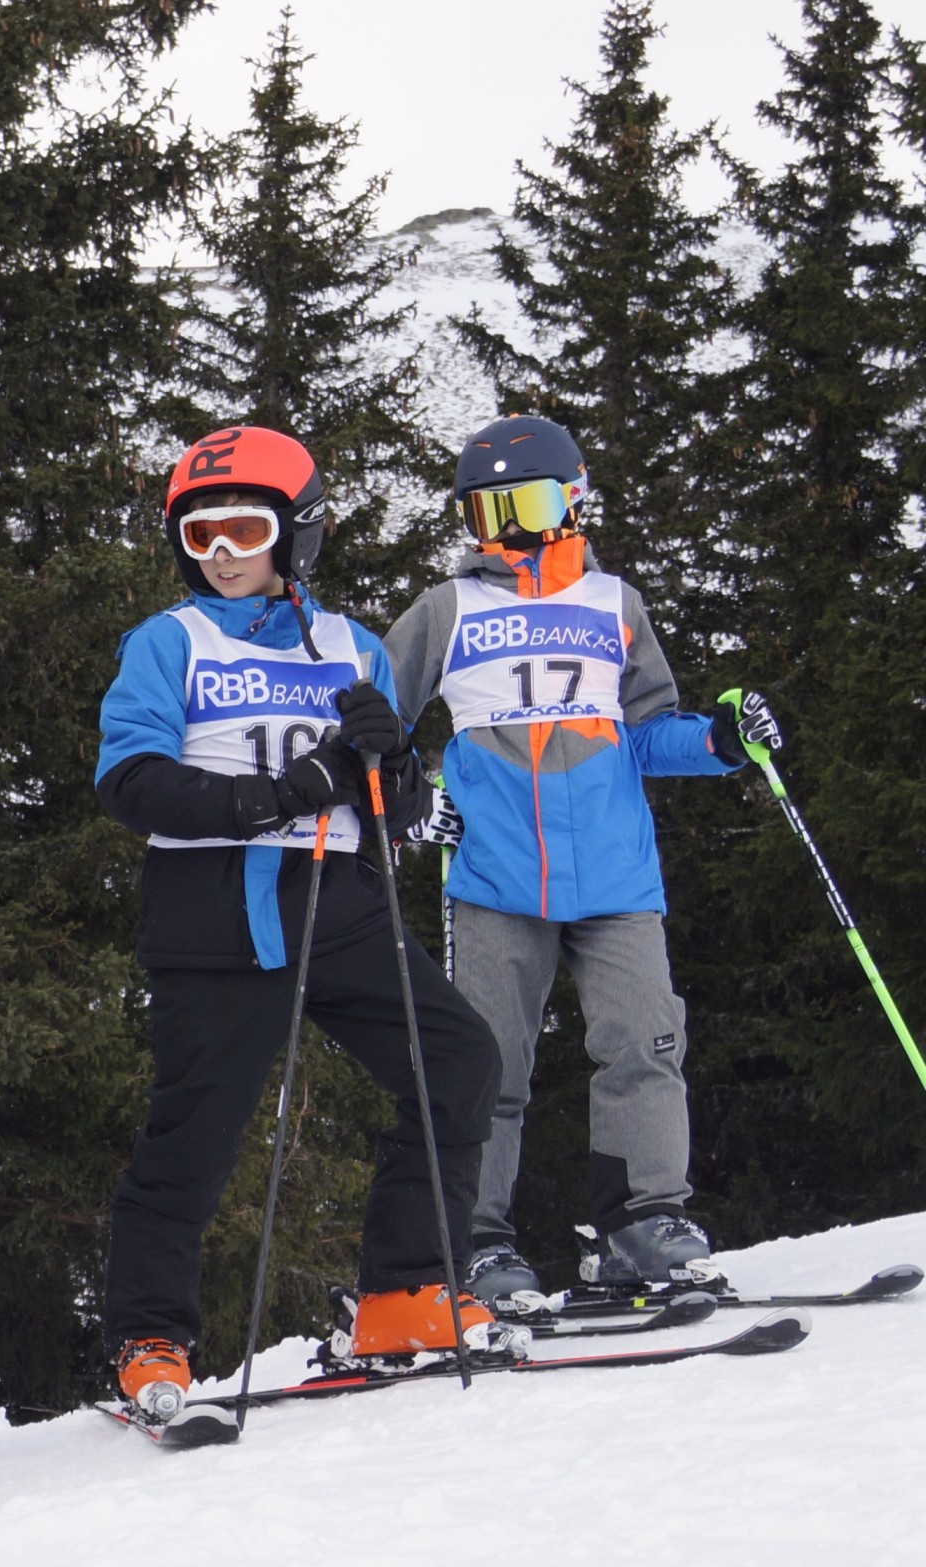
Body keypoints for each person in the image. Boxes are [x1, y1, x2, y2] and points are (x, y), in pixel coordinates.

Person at [95, 426, 510, 1422]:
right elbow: (131, 781)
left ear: (297, 532)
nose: (221, 552)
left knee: (457, 1062)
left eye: (244, 529)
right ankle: (150, 1337)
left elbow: (399, 808)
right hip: (215, 914)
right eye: (199, 535)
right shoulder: (170, 642)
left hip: (341, 904)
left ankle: (405, 1294)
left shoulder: (352, 646)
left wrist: (390, 762)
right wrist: (278, 795)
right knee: (197, 1133)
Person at [384, 416, 757, 1302]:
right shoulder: (446, 608)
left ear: (573, 501)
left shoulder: (615, 604)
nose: (511, 529)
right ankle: (478, 1241)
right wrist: (410, 799)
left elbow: (649, 730)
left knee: (645, 1043)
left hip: (617, 872)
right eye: (490, 512)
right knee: (489, 1064)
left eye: (531, 504)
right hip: (494, 875)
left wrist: (721, 740)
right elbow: (375, 723)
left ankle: (642, 1222)